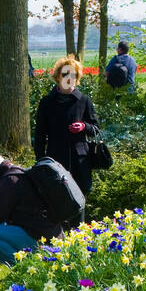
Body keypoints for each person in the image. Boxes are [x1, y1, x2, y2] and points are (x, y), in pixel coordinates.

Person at [0, 152, 67, 266]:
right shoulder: (14, 174)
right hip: (48, 234)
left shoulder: (9, 181)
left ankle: (22, 268)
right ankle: (28, 265)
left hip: (40, 238)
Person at [33, 55, 99, 198]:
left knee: (80, 202)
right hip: (55, 161)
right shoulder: (46, 102)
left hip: (80, 163)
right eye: (65, 74)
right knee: (58, 203)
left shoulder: (84, 101)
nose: (70, 78)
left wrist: (84, 126)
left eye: (74, 74)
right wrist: (42, 161)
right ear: (58, 77)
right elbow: (39, 136)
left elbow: (95, 129)